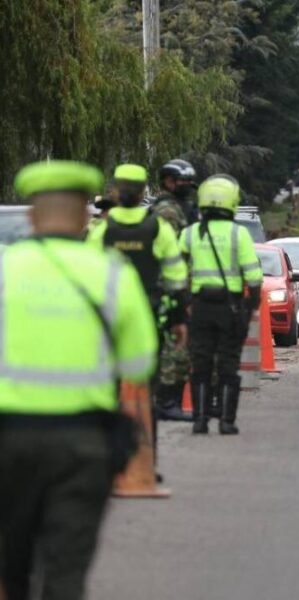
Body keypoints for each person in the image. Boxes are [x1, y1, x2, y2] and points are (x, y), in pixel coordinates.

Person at [0, 161, 158, 600]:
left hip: (9, 439)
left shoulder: (4, 269)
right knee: (67, 569)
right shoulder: (111, 274)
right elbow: (140, 365)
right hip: (84, 443)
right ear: (85, 217)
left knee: (11, 563)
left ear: (32, 215)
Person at [88, 164, 190, 421]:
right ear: (143, 191)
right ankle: (144, 435)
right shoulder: (158, 229)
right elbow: (177, 279)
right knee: (145, 380)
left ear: (115, 191)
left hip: (109, 318)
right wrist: (179, 320)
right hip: (148, 317)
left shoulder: (101, 232)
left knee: (109, 377)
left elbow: (86, 280)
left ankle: (110, 427)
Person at [179, 175, 263, 435]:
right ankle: (227, 421)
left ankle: (200, 420)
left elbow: (176, 272)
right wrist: (250, 308)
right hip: (230, 307)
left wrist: (184, 305)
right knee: (228, 364)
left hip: (200, 307)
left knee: (201, 363)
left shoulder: (190, 233)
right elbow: (254, 276)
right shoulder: (239, 234)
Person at [152, 158, 198, 408]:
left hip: (182, 285)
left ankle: (172, 403)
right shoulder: (167, 211)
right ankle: (166, 404)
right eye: (182, 181)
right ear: (168, 182)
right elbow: (169, 253)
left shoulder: (182, 207)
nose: (187, 185)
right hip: (170, 288)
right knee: (175, 350)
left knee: (182, 349)